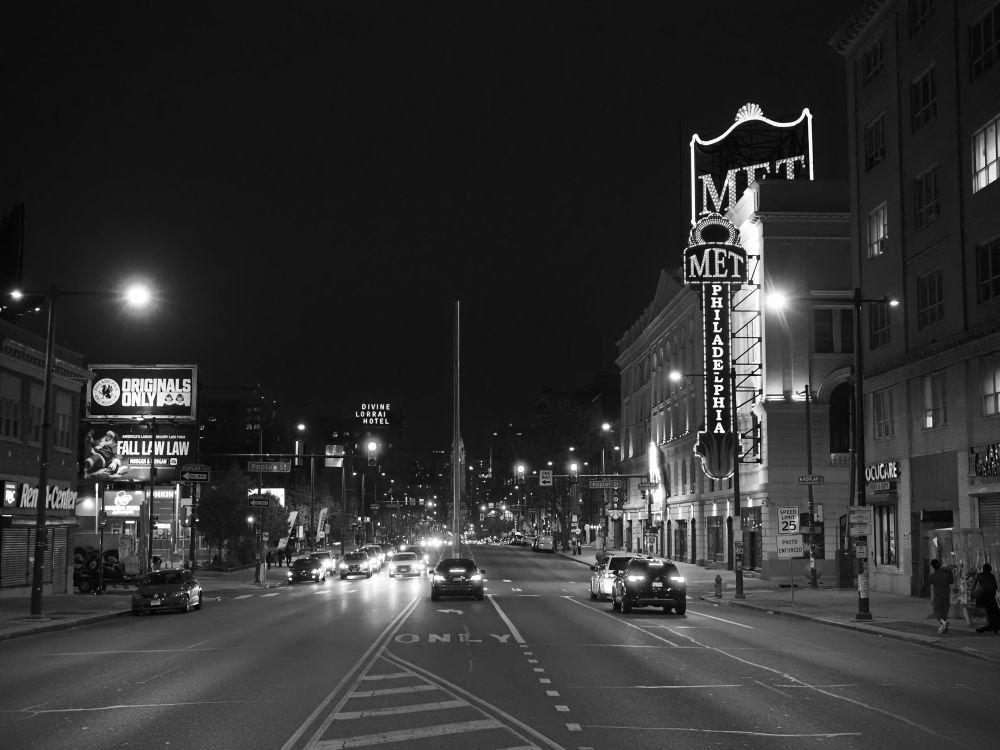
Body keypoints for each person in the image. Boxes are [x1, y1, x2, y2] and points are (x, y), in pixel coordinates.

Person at [929, 558, 954, 634]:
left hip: (938, 596)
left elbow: (930, 581)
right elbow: (951, 581)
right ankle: (943, 627)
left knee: (936, 611)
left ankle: (943, 623)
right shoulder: (946, 573)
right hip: (946, 595)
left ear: (932, 566)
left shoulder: (933, 576)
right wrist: (949, 571)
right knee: (944, 612)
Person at [974, 562, 1000, 634]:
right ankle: (994, 626)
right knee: (993, 612)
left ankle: (985, 626)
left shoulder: (980, 575)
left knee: (984, 610)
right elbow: (995, 587)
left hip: (984, 595)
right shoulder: (992, 576)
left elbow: (974, 585)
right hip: (991, 596)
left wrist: (972, 595)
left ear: (983, 569)